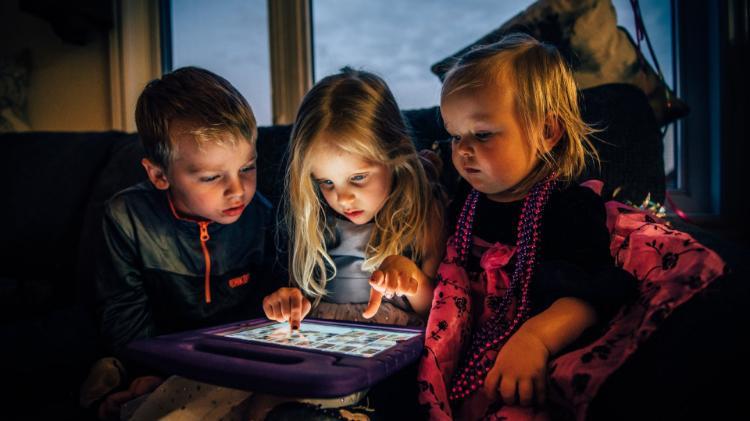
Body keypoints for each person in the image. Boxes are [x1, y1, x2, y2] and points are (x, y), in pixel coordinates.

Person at [417, 33, 637, 419]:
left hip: (532, 365)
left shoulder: (567, 206)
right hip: (462, 365)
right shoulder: (463, 201)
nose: (463, 149)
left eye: (482, 134)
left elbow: (591, 296)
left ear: (547, 132)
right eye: (455, 135)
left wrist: (535, 340)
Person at [85, 66, 283, 419]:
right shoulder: (126, 218)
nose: (238, 190)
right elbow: (123, 311)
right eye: (210, 177)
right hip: (158, 353)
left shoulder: (262, 216)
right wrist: (146, 370)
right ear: (159, 175)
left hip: (234, 358)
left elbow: (266, 308)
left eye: (247, 168)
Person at [263, 67, 445, 329]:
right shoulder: (315, 216)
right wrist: (290, 302)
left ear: (395, 156)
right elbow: (302, 292)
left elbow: (438, 307)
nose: (343, 199)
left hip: (394, 346)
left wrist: (411, 278)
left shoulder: (423, 210)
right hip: (324, 341)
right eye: (326, 182)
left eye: (358, 177)